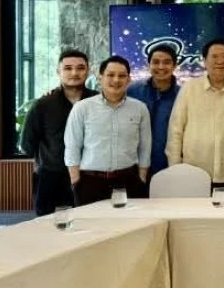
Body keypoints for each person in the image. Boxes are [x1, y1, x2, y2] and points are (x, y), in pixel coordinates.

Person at [64, 56, 151, 205]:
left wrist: (142, 177)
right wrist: (75, 181)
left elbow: (145, 146)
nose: (116, 80)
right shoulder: (82, 108)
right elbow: (72, 146)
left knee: (128, 220)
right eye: (110, 75)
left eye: (121, 76)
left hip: (128, 181)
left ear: (128, 80)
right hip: (90, 182)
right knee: (91, 220)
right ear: (100, 78)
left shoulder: (140, 108)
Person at [20, 49, 96, 215]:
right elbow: (27, 145)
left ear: (88, 71)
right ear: (58, 71)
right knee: (48, 226)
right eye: (68, 68)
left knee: (90, 224)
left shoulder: (98, 102)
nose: (74, 73)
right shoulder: (43, 105)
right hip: (51, 178)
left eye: (80, 68)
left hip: (91, 177)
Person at [166, 38, 224, 190]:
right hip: (194, 171)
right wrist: (175, 168)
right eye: (214, 56)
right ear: (204, 61)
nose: (220, 61)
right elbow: (175, 130)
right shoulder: (190, 88)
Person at [127, 44, 181, 179]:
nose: (161, 67)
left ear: (174, 66)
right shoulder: (133, 91)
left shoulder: (182, 95)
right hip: (134, 164)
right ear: (148, 65)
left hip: (167, 164)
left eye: (167, 62)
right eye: (156, 62)